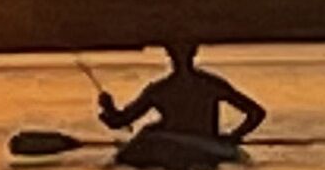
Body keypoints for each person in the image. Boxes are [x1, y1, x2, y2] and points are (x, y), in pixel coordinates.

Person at [99, 39, 267, 152]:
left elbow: (119, 121)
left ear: (169, 55)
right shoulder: (210, 85)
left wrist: (109, 110)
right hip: (203, 145)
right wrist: (232, 138)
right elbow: (256, 113)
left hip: (182, 147)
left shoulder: (160, 90)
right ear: (193, 53)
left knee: (150, 131)